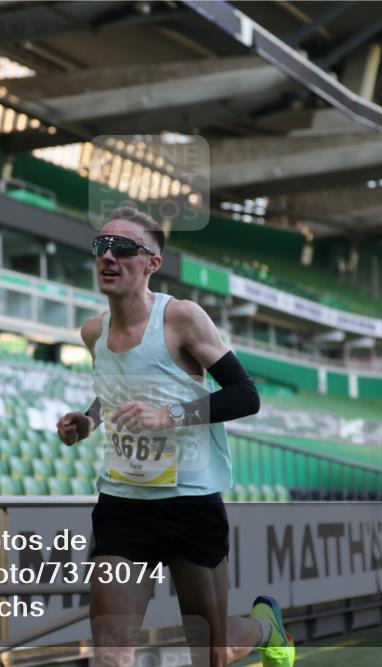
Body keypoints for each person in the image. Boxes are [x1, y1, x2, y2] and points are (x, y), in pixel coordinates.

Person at [56, 206, 295, 667]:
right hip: (123, 505)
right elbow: (112, 395)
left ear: (152, 263)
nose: (109, 257)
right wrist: (86, 422)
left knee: (213, 653)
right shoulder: (92, 333)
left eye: (124, 248)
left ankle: (267, 626)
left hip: (190, 502)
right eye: (101, 246)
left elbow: (246, 395)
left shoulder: (182, 319)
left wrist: (169, 416)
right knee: (109, 657)